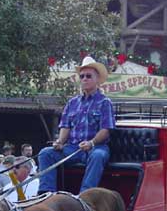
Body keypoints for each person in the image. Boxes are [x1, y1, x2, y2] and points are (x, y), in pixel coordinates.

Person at [38, 56, 114, 193]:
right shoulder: (72, 103)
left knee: (98, 156)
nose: (84, 79)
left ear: (97, 80)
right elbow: (65, 126)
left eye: (88, 76)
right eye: (82, 76)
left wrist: (91, 143)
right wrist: (60, 141)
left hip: (96, 147)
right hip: (73, 148)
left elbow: (106, 130)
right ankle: (46, 193)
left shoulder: (104, 102)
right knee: (45, 153)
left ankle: (85, 194)